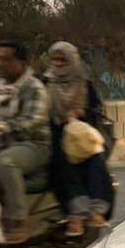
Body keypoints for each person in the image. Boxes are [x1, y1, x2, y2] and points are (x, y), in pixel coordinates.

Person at [0, 40, 51, 244]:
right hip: (4, 144)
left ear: (21, 62)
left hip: (35, 145)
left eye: (6, 59)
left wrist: (1, 127)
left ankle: (19, 221)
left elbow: (33, 120)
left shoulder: (33, 87)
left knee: (5, 161)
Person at [44, 41, 113, 237]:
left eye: (62, 59)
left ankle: (97, 212)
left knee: (97, 162)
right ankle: (77, 214)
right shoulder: (46, 82)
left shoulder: (84, 83)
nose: (58, 64)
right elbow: (40, 111)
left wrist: (81, 113)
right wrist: (59, 120)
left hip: (83, 135)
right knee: (63, 163)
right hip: (56, 135)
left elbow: (96, 109)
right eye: (55, 59)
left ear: (72, 60)